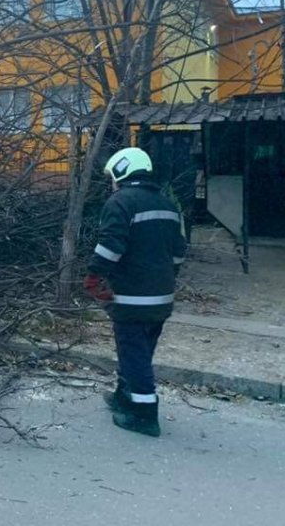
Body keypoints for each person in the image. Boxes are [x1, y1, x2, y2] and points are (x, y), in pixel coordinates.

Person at [85, 147, 187, 437]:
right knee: (139, 351)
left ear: (122, 170)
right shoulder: (168, 204)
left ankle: (144, 415)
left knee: (133, 353)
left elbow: (111, 245)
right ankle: (124, 396)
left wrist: (95, 275)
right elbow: (179, 251)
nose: (111, 184)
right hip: (162, 297)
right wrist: (167, 275)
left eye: (112, 177)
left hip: (131, 296)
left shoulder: (120, 202)